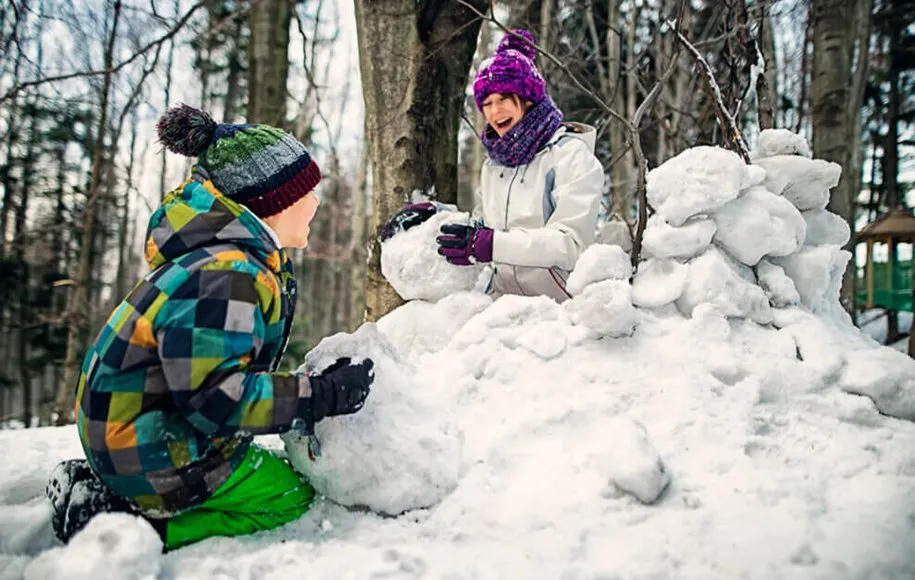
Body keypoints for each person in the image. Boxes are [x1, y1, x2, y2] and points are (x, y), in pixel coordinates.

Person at [45, 104, 375, 551]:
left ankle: (114, 487)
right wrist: (320, 396)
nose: (315, 203)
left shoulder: (222, 261)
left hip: (134, 433)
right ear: (270, 201)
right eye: (304, 192)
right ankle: (115, 520)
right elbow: (217, 399)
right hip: (149, 448)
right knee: (289, 496)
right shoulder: (226, 274)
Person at [383, 29, 604, 302]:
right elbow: (484, 227)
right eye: (486, 103)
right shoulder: (495, 166)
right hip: (505, 308)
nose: (494, 111)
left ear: (528, 99)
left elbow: (570, 245)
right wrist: (434, 218)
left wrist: (492, 245)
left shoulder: (570, 157)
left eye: (503, 99)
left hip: (562, 308)